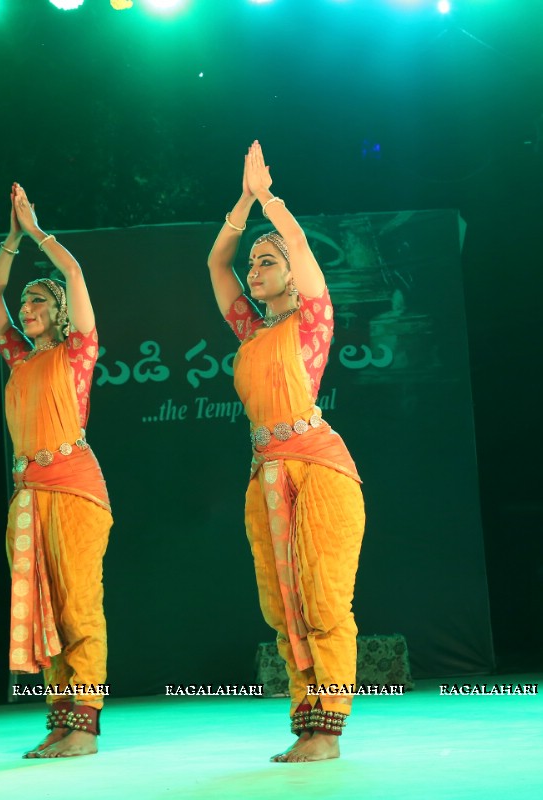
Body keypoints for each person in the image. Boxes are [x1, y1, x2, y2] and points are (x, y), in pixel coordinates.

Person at [206, 142, 365, 762]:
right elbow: (218, 265)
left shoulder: (312, 319)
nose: (255, 268)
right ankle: (306, 721)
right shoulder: (252, 330)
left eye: (268, 262)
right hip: (264, 472)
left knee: (323, 595)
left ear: (293, 276)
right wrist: (241, 206)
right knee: (282, 603)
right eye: (256, 263)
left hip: (319, 467)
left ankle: (328, 728)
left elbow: (298, 246)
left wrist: (269, 199)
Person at [0, 183, 111, 758]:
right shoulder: (18, 358)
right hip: (28, 494)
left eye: (38, 303)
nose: (25, 310)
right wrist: (8, 243)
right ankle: (61, 720)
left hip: (76, 490)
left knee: (78, 605)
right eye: (25, 303)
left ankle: (84, 725)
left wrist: (35, 233)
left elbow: (76, 275)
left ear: (59, 313)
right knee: (47, 612)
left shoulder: (76, 352)